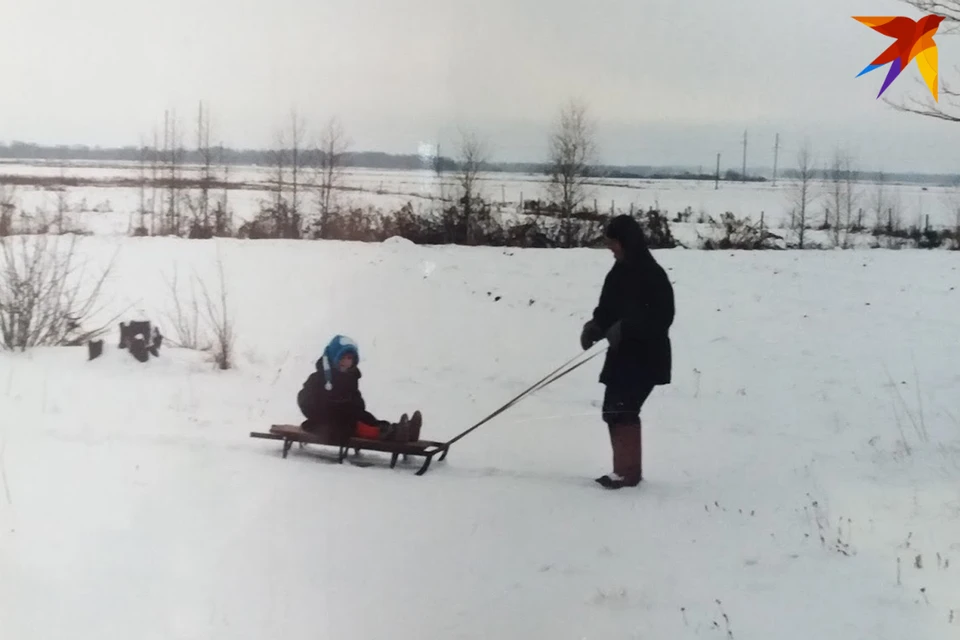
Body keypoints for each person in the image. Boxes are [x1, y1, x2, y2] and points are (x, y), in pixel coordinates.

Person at [579, 215, 674, 489]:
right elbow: (607, 308)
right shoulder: (618, 271)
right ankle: (622, 470)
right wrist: (596, 326)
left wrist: (628, 328)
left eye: (614, 242)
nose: (610, 247)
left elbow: (662, 317)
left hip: (646, 355)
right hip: (622, 354)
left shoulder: (652, 274)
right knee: (612, 410)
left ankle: (628, 474)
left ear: (626, 242)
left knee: (623, 409)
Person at [297, 334, 422, 444]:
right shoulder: (319, 378)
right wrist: (327, 409)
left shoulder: (350, 378)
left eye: (349, 358)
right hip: (326, 422)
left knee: (368, 419)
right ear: (333, 358)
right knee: (354, 426)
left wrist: (356, 407)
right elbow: (305, 399)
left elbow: (355, 399)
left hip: (348, 415)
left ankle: (401, 430)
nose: (345, 362)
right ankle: (390, 434)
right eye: (342, 358)